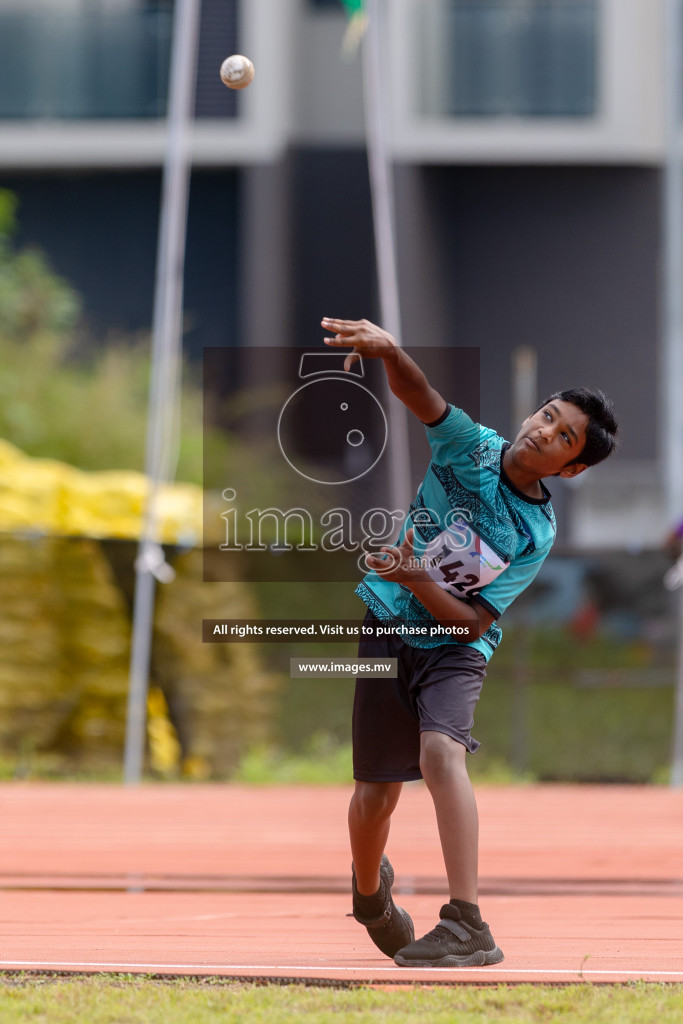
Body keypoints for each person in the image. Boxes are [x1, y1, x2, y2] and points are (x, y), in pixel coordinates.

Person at [321, 316, 619, 968]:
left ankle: (466, 923)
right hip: (387, 626)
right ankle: (370, 897)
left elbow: (469, 624)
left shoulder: (529, 534)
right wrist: (387, 350)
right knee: (373, 797)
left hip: (453, 649)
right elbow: (418, 392)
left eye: (562, 435)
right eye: (547, 414)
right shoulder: (470, 445)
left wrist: (417, 574)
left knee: (439, 753)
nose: (543, 429)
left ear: (569, 468)